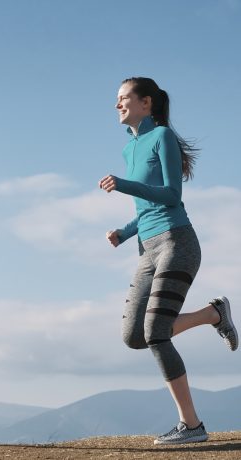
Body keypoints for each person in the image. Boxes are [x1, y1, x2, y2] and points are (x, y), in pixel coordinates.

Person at [99, 77, 238, 445]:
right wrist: (124, 232)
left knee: (157, 334)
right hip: (148, 249)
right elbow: (147, 207)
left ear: (146, 103)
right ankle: (213, 314)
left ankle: (191, 425)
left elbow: (172, 195)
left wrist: (124, 185)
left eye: (123, 98)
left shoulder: (162, 137)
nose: (117, 105)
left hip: (178, 243)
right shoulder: (130, 148)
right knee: (133, 336)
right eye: (116, 100)